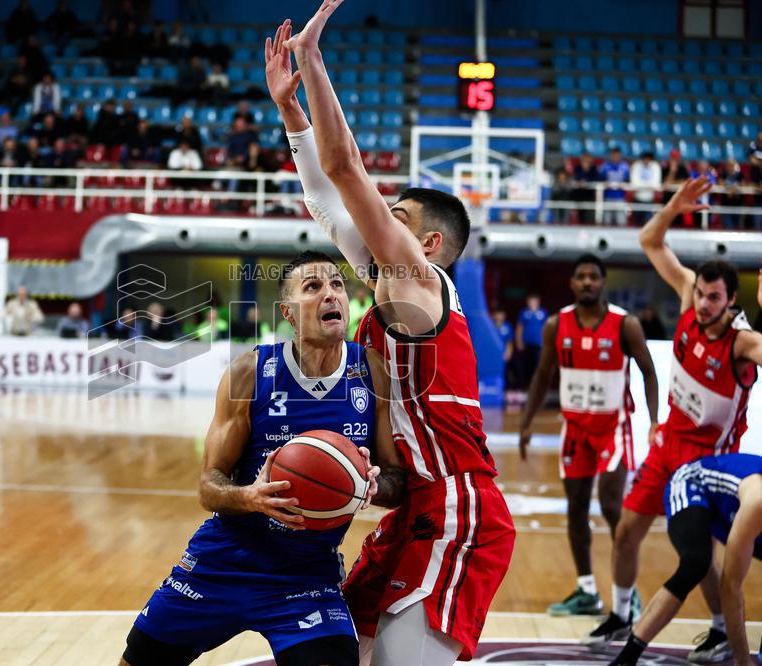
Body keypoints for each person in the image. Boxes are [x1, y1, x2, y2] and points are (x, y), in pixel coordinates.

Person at [269, 11, 515, 664]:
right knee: (336, 646)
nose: (373, 220)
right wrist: (291, 115)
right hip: (413, 507)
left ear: (427, 243)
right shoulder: (385, 287)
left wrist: (312, 62)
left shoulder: (419, 283)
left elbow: (345, 171)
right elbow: (327, 201)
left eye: (393, 216)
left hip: (459, 510)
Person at [121, 251, 403, 666]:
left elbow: (397, 480)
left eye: (338, 285)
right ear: (288, 312)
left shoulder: (371, 370)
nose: (331, 295)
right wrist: (250, 497)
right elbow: (209, 485)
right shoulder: (250, 371)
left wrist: (374, 485)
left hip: (306, 576)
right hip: (224, 562)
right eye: (314, 287)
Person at [582, 177, 762, 664]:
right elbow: (649, 241)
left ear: (731, 301)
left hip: (709, 463)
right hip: (666, 447)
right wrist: (673, 206)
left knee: (699, 559)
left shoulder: (743, 344)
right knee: (625, 533)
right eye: (701, 293)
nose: (704, 303)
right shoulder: (686, 295)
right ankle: (622, 613)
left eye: (714, 298)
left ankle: (723, 630)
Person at [518, 253, 659, 616]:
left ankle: (627, 591)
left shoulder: (624, 325)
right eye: (580, 276)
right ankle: (587, 591)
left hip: (613, 427)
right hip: (576, 430)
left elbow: (649, 372)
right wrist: (526, 422)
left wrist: (656, 420)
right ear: (572, 283)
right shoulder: (556, 324)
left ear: (602, 281)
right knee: (577, 508)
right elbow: (542, 375)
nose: (587, 282)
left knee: (613, 506)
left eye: (593, 276)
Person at [609, 453, 762, 666]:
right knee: (695, 563)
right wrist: (743, 660)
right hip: (692, 483)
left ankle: (724, 638)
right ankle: (626, 659)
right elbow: (731, 586)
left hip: (731, 503)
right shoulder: (757, 501)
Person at [515, 292, 547, 390]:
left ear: (538, 302)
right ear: (528, 302)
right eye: (530, 301)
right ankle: (525, 386)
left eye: (534, 301)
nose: (532, 303)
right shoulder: (524, 313)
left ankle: (537, 387)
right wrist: (519, 341)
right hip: (526, 344)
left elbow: (545, 328)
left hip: (538, 344)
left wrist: (545, 343)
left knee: (537, 366)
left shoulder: (543, 313)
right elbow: (519, 328)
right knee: (526, 366)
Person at [599, 146, 630, 226]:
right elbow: (600, 179)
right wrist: (604, 182)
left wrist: (624, 185)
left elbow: (628, 180)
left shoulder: (625, 167)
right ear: (611, 155)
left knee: (621, 220)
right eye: (613, 155)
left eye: (617, 155)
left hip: (620, 196)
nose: (615, 157)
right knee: (607, 220)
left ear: (620, 155)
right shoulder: (605, 166)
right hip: (608, 195)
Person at [629, 151, 661, 225]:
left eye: (648, 159)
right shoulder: (636, 165)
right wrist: (648, 185)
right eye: (645, 159)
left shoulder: (655, 166)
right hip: (638, 198)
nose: (646, 161)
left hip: (650, 199)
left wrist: (642, 185)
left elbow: (656, 184)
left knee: (648, 223)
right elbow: (634, 184)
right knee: (637, 222)